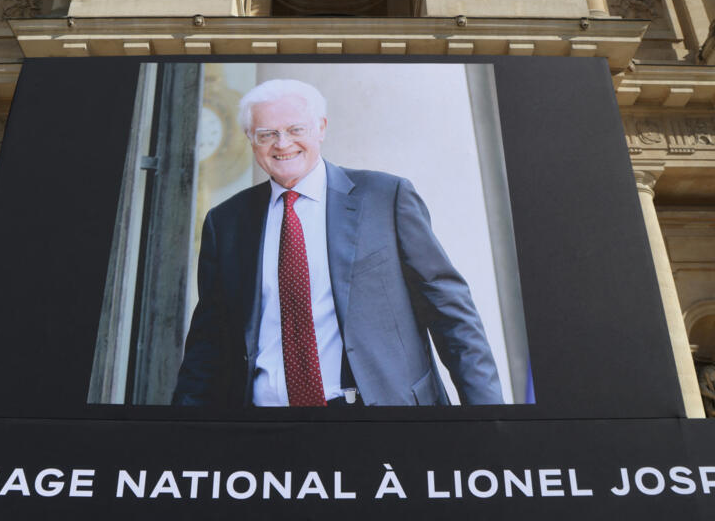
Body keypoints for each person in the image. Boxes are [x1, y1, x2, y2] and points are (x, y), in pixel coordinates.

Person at [172, 79, 502, 407]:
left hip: (380, 418)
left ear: (321, 128)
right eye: (267, 134)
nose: (282, 143)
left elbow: (452, 315)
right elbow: (208, 344)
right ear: (251, 140)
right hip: (268, 428)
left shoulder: (385, 198)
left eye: (295, 129)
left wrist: (488, 419)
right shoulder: (226, 223)